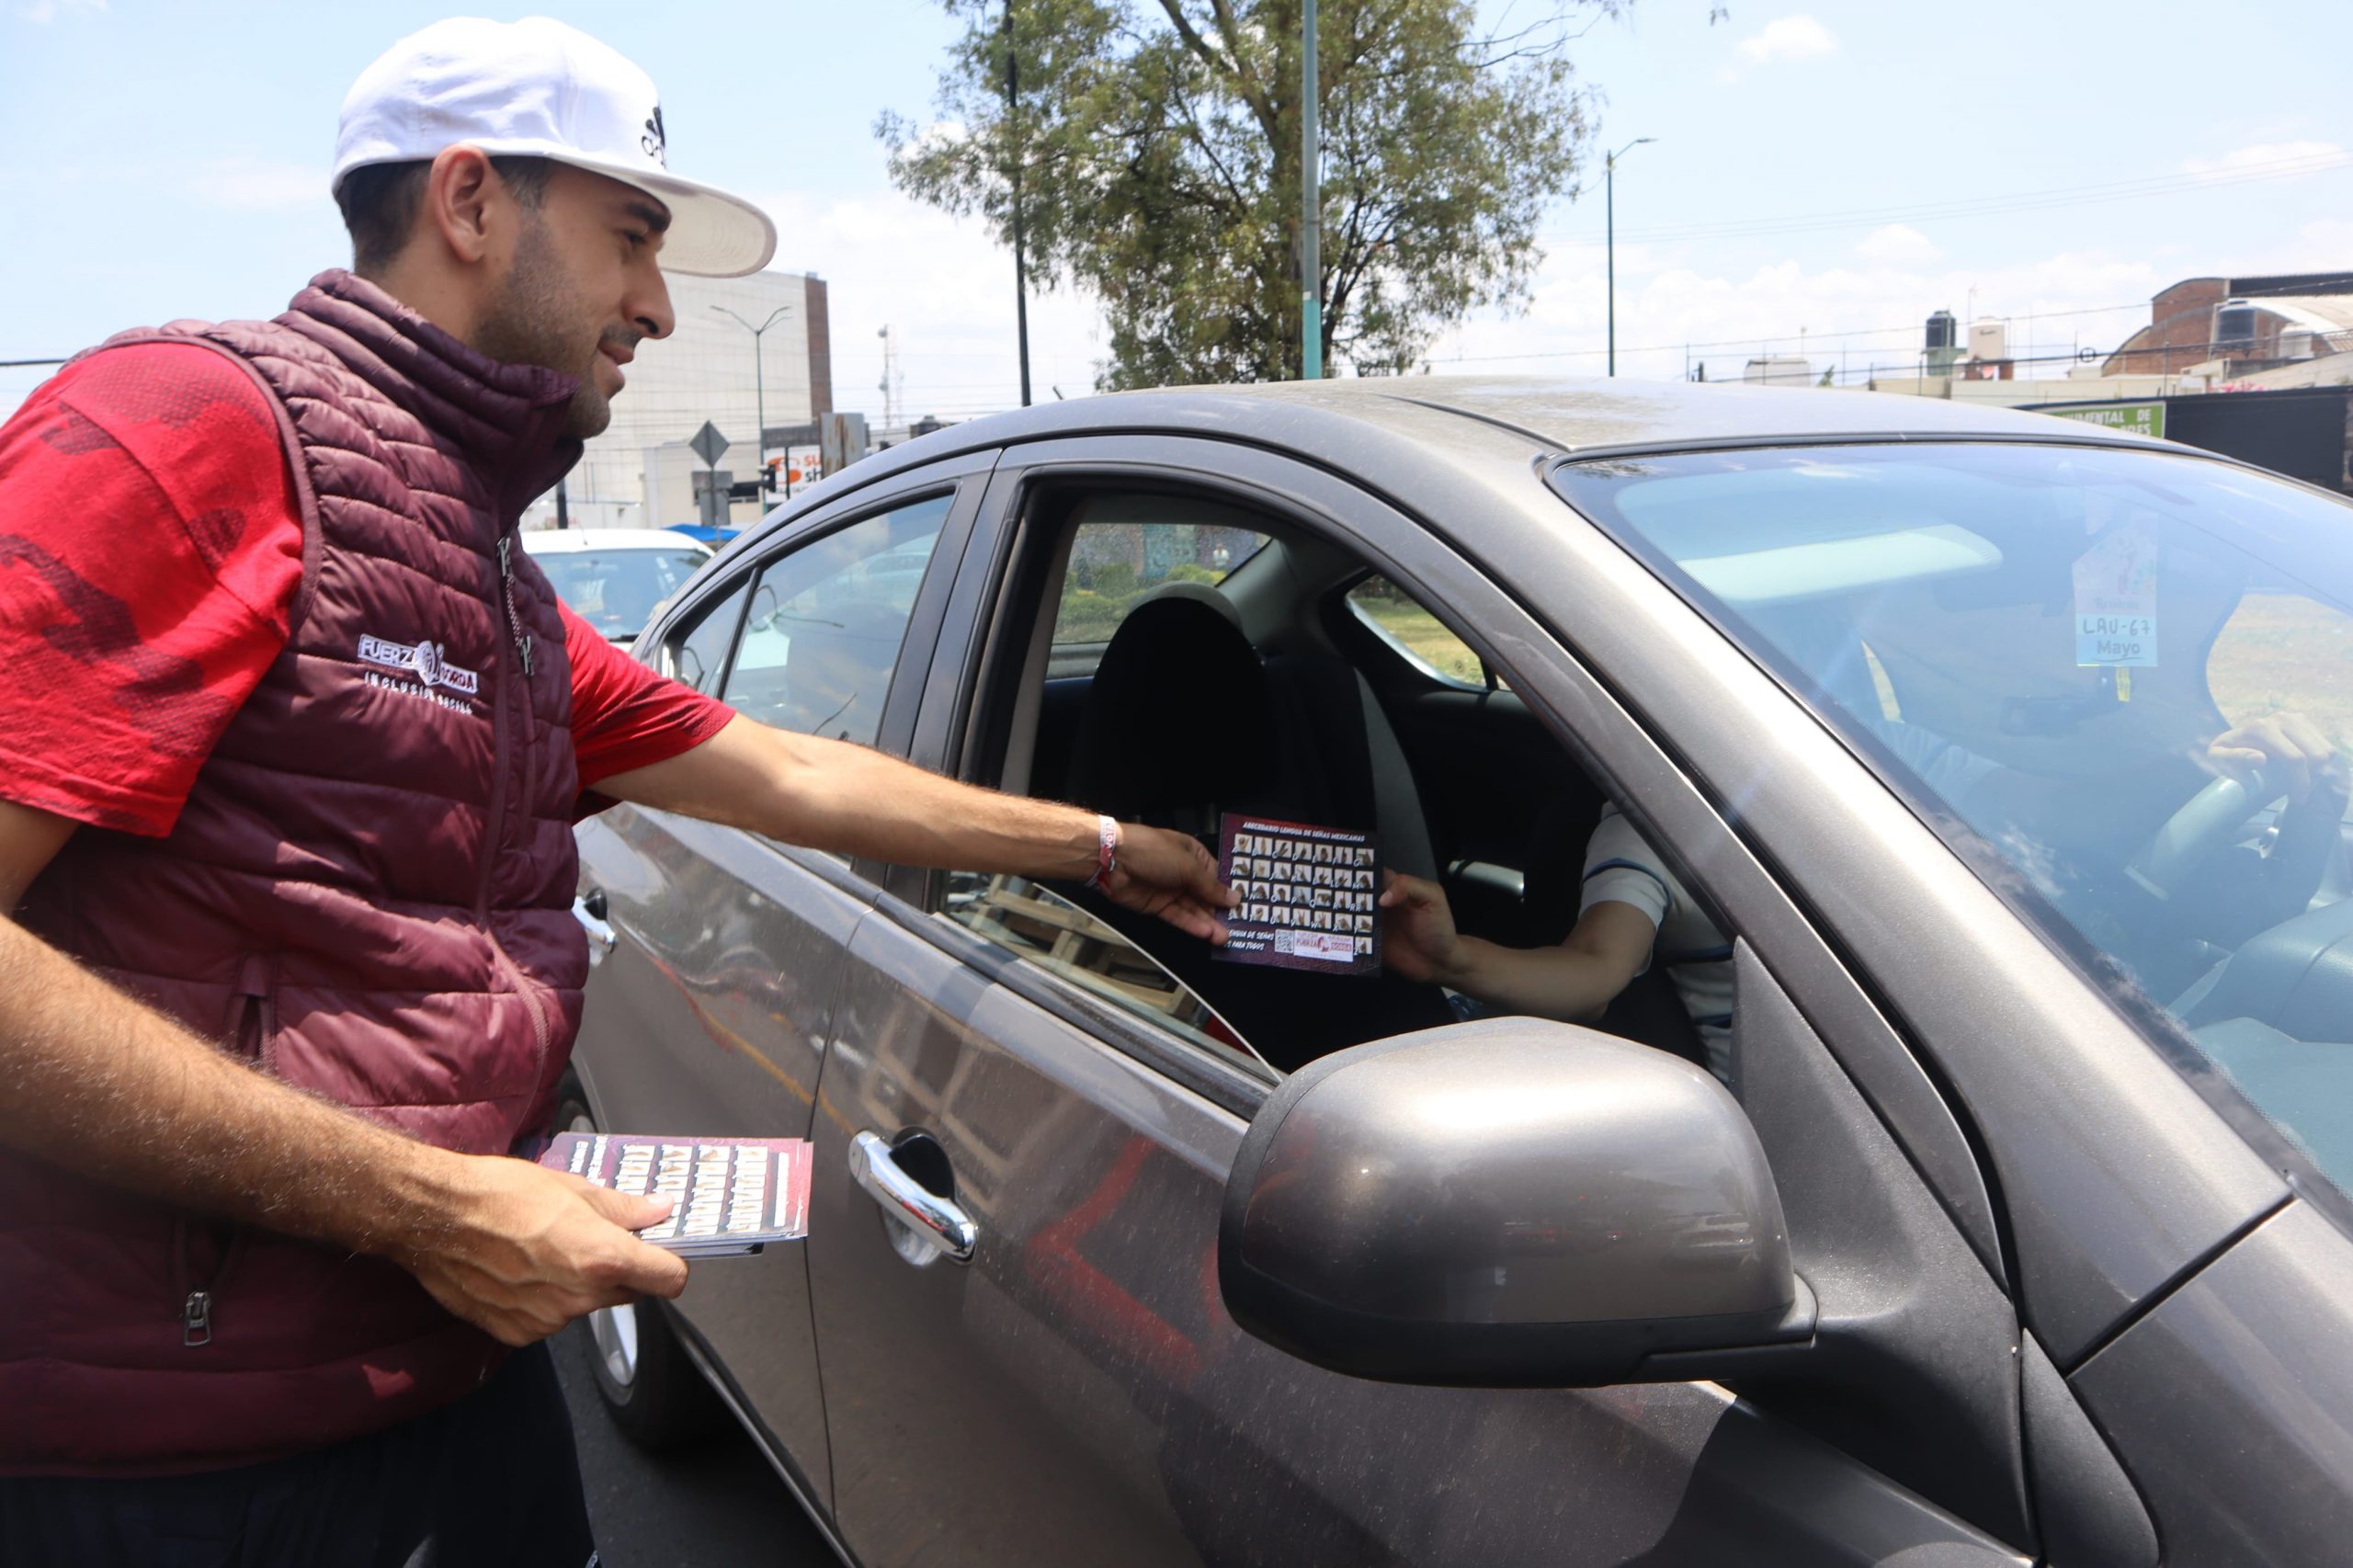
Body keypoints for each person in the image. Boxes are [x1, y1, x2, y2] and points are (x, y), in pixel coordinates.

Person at [0, 17, 1227, 1564]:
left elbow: (780, 767)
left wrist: (1107, 845)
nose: (655, 303)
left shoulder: (490, 578)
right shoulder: (187, 434)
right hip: (181, 1469)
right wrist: (433, 1211)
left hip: (454, 1382)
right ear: (467, 204)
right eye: (631, 237)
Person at [1381, 711, 2347, 1085]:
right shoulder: (1655, 826)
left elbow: (2038, 796)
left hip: (2001, 1067)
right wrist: (1457, 957)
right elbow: (1594, 970)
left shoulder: (1887, 747)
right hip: (1857, 1144)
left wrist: (2191, 764)